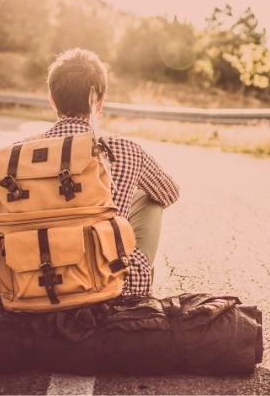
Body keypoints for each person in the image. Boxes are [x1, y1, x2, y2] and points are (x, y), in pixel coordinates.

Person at [42, 48, 179, 296]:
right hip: (110, 283)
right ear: (100, 102)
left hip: (40, 283)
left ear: (52, 99)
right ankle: (137, 284)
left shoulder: (22, 153)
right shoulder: (125, 149)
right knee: (151, 196)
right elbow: (170, 193)